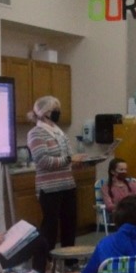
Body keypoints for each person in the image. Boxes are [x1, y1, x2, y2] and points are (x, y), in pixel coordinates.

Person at [27, 96, 85, 261]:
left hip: (68, 185)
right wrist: (69, 160)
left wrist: (79, 162)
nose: (58, 113)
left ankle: (69, 261)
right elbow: (43, 160)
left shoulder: (59, 132)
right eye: (55, 110)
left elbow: (68, 157)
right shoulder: (36, 133)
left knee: (70, 225)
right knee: (50, 227)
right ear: (45, 113)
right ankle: (48, 262)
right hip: (49, 188)